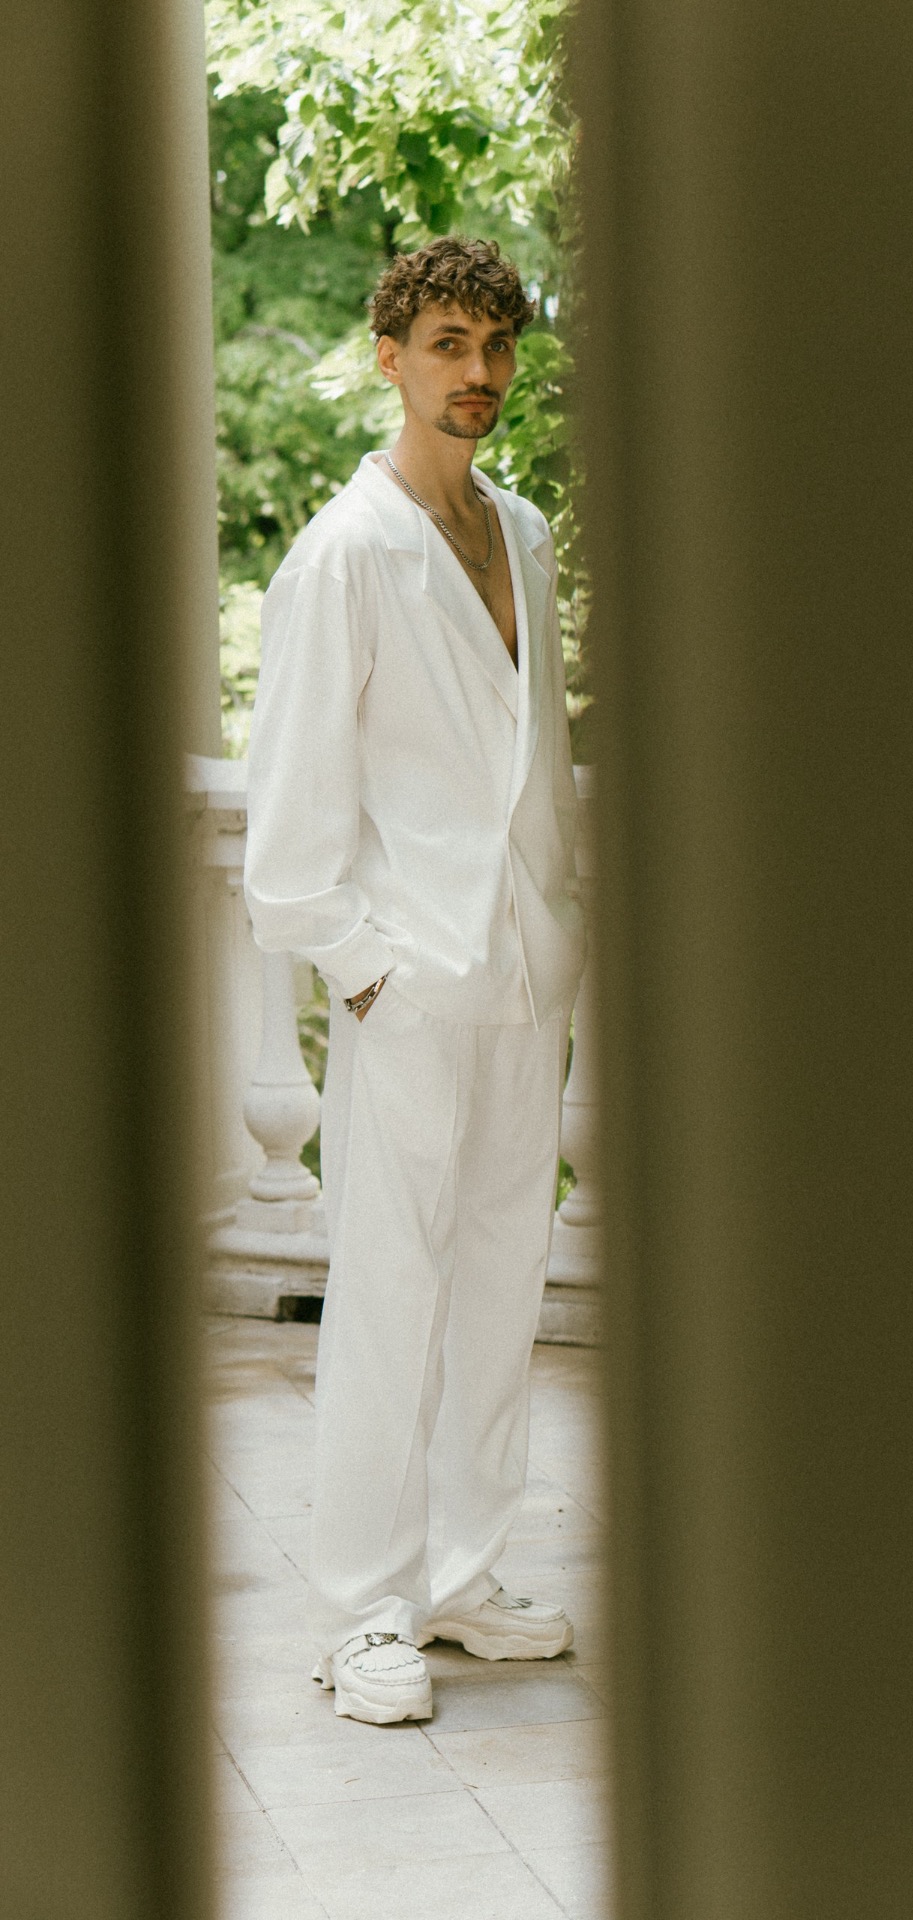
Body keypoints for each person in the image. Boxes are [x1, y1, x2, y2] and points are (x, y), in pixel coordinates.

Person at [244, 236, 587, 1725]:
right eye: (450, 344)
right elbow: (288, 826)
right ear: (391, 358)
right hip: (408, 985)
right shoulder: (343, 555)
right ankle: (363, 1612)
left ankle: (459, 1576)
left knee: (502, 1282)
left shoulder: (527, 535)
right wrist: (370, 975)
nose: (480, 373)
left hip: (525, 974)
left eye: (498, 346)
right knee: (390, 1294)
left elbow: (535, 761)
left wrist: (557, 934)